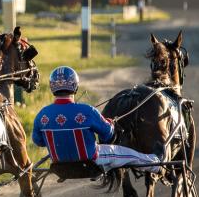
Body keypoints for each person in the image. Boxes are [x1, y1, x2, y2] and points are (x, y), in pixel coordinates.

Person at [31, 67, 163, 174]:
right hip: (91, 160)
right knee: (129, 155)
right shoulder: (87, 111)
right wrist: (110, 124)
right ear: (75, 87)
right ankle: (155, 164)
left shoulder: (42, 115)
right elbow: (108, 134)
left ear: (52, 87)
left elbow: (39, 141)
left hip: (58, 164)